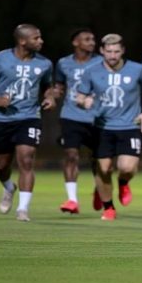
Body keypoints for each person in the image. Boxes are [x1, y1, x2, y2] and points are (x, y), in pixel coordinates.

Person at [76, 33, 142, 220]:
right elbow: (80, 96)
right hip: (102, 127)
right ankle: (109, 208)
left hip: (130, 126)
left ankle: (123, 182)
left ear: (123, 51)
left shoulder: (137, 69)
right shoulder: (91, 71)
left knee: (127, 168)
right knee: (103, 169)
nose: (112, 55)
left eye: (116, 51)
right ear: (102, 51)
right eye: (109, 51)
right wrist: (84, 101)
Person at [0, 24, 55, 221]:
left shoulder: (45, 63)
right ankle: (9, 187)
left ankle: (23, 209)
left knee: (26, 159)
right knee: (1, 165)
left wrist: (50, 97)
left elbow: (47, 86)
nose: (41, 41)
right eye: (36, 38)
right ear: (22, 41)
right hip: (1, 119)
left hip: (29, 117)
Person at [52, 28, 102, 214]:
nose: (92, 42)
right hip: (71, 115)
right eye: (87, 39)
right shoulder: (63, 63)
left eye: (93, 39)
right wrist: (53, 96)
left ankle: (100, 188)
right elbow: (59, 86)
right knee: (71, 155)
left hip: (97, 117)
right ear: (75, 42)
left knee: (99, 159)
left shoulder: (101, 62)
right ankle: (72, 200)